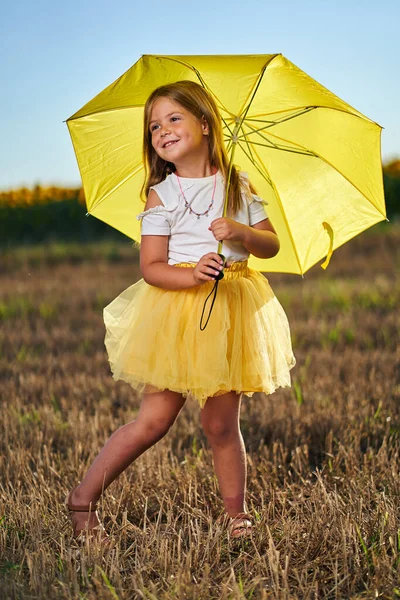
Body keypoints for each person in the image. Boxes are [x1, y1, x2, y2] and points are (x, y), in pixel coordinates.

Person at [65, 80, 296, 544]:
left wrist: (241, 233)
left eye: (174, 119)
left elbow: (270, 245)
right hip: (177, 313)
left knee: (221, 426)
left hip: (228, 312)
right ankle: (82, 500)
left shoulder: (238, 186)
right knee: (154, 422)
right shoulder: (162, 194)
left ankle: (238, 518)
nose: (162, 131)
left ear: (205, 125)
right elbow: (151, 268)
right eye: (154, 126)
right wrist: (192, 275)